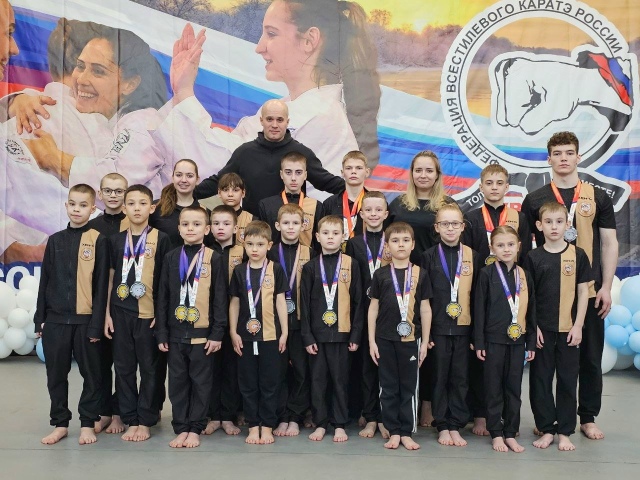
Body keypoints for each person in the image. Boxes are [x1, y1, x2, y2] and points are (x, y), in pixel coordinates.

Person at [157, 0, 380, 185]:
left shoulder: (315, 117)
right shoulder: (299, 108)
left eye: (271, 34)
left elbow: (222, 165)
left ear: (309, 40)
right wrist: (182, 93)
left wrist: (184, 92)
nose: (259, 47)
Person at [521, 131, 618, 440]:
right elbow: (524, 250)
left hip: (588, 292)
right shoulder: (535, 199)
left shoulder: (597, 196)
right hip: (548, 295)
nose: (563, 158)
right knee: (544, 363)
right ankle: (546, 420)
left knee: (589, 356)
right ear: (548, 159)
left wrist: (605, 286)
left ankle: (587, 417)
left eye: (569, 152)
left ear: (578, 157)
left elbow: (609, 242)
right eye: (557, 153)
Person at [20, 24, 168, 197]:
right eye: (80, 66)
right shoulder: (95, 109)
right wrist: (18, 100)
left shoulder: (142, 123)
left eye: (98, 71)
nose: (81, 79)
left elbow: (118, 184)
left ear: (130, 84)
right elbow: (56, 94)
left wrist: (55, 159)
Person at [34, 184, 109, 446]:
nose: (77, 209)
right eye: (73, 204)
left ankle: (87, 423)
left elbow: (101, 286)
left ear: (92, 209)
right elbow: (45, 281)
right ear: (66, 205)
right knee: (56, 375)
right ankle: (60, 423)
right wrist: (40, 318)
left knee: (92, 375)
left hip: (85, 321)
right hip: (56, 321)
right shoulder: (55, 240)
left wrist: (96, 324)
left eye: (83, 205)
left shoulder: (99, 240)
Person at [461, 163, 531, 436]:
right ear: (481, 187)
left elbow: (524, 257)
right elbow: (467, 258)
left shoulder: (519, 218)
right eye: (489, 183)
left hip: (511, 292)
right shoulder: (471, 218)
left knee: (508, 371)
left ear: (507, 187)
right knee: (482, 362)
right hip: (481, 288)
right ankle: (480, 415)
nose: (494, 187)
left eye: (499, 183)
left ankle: (507, 419)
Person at [388, 150, 455, 426]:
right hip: (403, 283)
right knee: (406, 340)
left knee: (431, 342)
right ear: (411, 173)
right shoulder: (399, 205)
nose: (423, 175)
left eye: (429, 170)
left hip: (438, 281)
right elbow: (389, 241)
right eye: (419, 170)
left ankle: (428, 403)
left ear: (437, 175)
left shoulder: (447, 205)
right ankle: (401, 402)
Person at [156, 206, 228, 448]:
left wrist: (217, 333)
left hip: (203, 336)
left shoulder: (214, 259)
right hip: (175, 334)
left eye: (196, 224)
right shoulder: (171, 257)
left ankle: (195, 427)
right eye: (185, 224)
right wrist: (162, 332)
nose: (190, 229)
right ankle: (181, 427)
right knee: (177, 383)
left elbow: (220, 299)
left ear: (207, 229)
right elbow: (163, 297)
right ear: (178, 228)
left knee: (201, 383)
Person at [193, 99, 345, 214]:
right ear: (261, 120)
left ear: (287, 122)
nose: (274, 125)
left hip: (290, 229)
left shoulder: (301, 153)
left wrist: (355, 189)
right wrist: (187, 194)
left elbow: (326, 181)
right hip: (254, 233)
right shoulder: (244, 152)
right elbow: (218, 182)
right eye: (269, 119)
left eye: (280, 120)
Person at [105, 185, 171, 442]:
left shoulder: (161, 239)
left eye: (142, 203)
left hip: (148, 315)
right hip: (120, 312)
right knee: (123, 368)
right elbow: (110, 278)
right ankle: (130, 417)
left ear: (151, 208)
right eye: (131, 203)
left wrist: (161, 315)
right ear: (124, 208)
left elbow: (165, 283)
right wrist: (107, 313)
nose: (136, 208)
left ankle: (145, 420)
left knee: (150, 369)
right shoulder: (115, 241)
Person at [524, 202, 592, 451]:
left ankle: (565, 431)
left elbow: (583, 293)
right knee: (540, 381)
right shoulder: (533, 257)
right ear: (539, 225)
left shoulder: (578, 255)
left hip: (569, 331)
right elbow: (528, 296)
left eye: (559, 222)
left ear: (567, 224)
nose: (554, 227)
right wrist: (534, 328)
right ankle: (546, 429)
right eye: (548, 222)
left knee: (567, 380)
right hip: (542, 331)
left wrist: (578, 325)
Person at [368, 222, 432, 451]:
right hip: (384, 339)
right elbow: (373, 309)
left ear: (413, 244)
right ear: (387, 246)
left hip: (411, 340)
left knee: (409, 387)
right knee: (388, 386)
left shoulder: (421, 274)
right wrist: (371, 340)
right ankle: (393, 430)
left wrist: (424, 342)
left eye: (406, 240)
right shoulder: (380, 275)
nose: (401, 245)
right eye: (395, 241)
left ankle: (406, 431)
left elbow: (425, 309)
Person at [300, 215, 364, 442]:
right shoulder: (310, 267)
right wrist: (307, 336)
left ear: (343, 236)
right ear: (317, 237)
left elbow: (358, 302)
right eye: (325, 233)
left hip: (342, 335)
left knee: (340, 380)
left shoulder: (351, 264)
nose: (330, 238)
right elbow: (304, 305)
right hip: (317, 336)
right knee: (318, 381)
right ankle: (320, 423)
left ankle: (339, 424)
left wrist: (356, 334)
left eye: (335, 233)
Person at [421, 203, 479, 447]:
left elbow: (478, 298)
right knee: (439, 377)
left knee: (460, 378)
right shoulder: (428, 256)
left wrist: (476, 334)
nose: (450, 228)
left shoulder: (473, 256)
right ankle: (442, 425)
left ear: (463, 226)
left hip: (464, 328)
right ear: (437, 227)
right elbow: (423, 299)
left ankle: (456, 424)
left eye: (455, 223)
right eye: (445, 224)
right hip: (439, 329)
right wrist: (426, 334)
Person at [474, 226, 536, 453]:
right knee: (493, 388)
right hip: (493, 341)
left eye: (510, 244)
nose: (506, 249)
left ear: (519, 246)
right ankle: (496, 433)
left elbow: (532, 310)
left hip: (518, 341)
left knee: (514, 388)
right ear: (492, 248)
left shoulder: (525, 275)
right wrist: (479, 341)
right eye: (500, 245)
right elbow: (479, 310)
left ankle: (510, 432)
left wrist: (531, 341)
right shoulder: (486, 274)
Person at [229, 221, 289, 445]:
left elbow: (281, 301)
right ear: (243, 244)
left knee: (269, 383)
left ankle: (267, 426)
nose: (254, 249)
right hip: (244, 337)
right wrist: (233, 331)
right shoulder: (239, 271)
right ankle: (253, 425)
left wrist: (284, 332)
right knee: (248, 383)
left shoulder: (276, 269)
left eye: (260, 244)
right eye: (250, 244)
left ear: (269, 245)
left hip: (271, 336)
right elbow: (234, 302)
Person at [345, 191, 391, 438]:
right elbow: (352, 283)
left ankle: (385, 417)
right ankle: (371, 417)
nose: (373, 214)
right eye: (369, 210)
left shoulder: (393, 240)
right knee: (366, 368)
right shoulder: (354, 244)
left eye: (378, 210)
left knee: (386, 368)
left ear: (386, 213)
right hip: (363, 314)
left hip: (390, 313)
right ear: (361, 214)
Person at [87, 173, 129, 435]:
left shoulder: (135, 224)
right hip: (97, 302)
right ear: (100, 194)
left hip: (126, 304)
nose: (114, 195)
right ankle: (102, 411)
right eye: (109, 191)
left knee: (124, 363)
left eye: (119, 191)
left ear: (126, 194)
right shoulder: (91, 227)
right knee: (100, 362)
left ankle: (119, 412)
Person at [268, 204, 314, 437]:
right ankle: (281, 417)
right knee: (277, 372)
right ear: (278, 226)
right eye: (286, 223)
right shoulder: (269, 252)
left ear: (303, 225)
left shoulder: (310, 253)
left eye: (295, 223)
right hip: (274, 324)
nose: (290, 227)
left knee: (301, 371)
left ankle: (295, 416)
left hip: (300, 322)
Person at [205, 205, 245, 435]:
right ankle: (213, 415)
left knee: (232, 369)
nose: (221, 228)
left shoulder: (243, 252)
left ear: (236, 228)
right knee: (211, 369)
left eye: (226, 224)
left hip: (237, 319)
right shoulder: (204, 252)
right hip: (209, 319)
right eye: (216, 223)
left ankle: (229, 416)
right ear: (209, 227)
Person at [258, 152, 323, 249]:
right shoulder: (266, 205)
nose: (293, 178)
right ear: (281, 174)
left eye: (298, 172)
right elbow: (262, 240)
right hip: (275, 258)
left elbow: (319, 244)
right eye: (288, 172)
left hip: (306, 258)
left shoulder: (316, 206)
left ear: (305, 175)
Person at [322, 151, 371, 250]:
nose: (353, 171)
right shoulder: (329, 204)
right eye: (349, 168)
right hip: (336, 257)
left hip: (366, 256)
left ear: (367, 172)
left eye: (359, 168)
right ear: (342, 172)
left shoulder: (375, 203)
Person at [217, 173, 253, 245]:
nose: (230, 194)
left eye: (235, 190)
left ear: (243, 193)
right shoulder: (212, 218)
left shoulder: (251, 220)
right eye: (225, 190)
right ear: (219, 193)